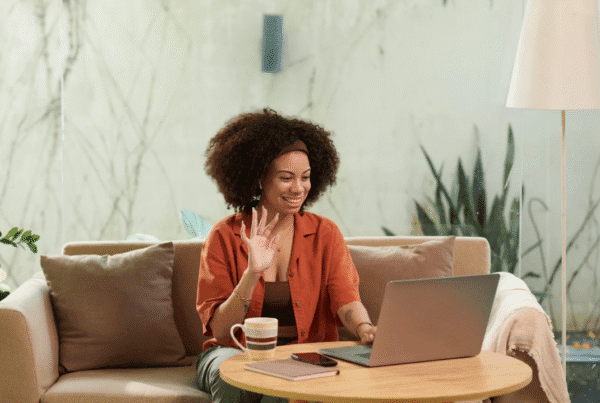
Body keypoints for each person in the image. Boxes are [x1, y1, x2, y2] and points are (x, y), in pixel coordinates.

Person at [195, 108, 376, 403]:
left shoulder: (325, 233)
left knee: (283, 387)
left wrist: (365, 328)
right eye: (286, 178)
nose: (298, 188)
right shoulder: (224, 236)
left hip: (302, 355)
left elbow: (345, 298)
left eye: (305, 177)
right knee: (229, 374)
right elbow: (221, 331)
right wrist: (252, 273)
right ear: (258, 179)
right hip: (232, 353)